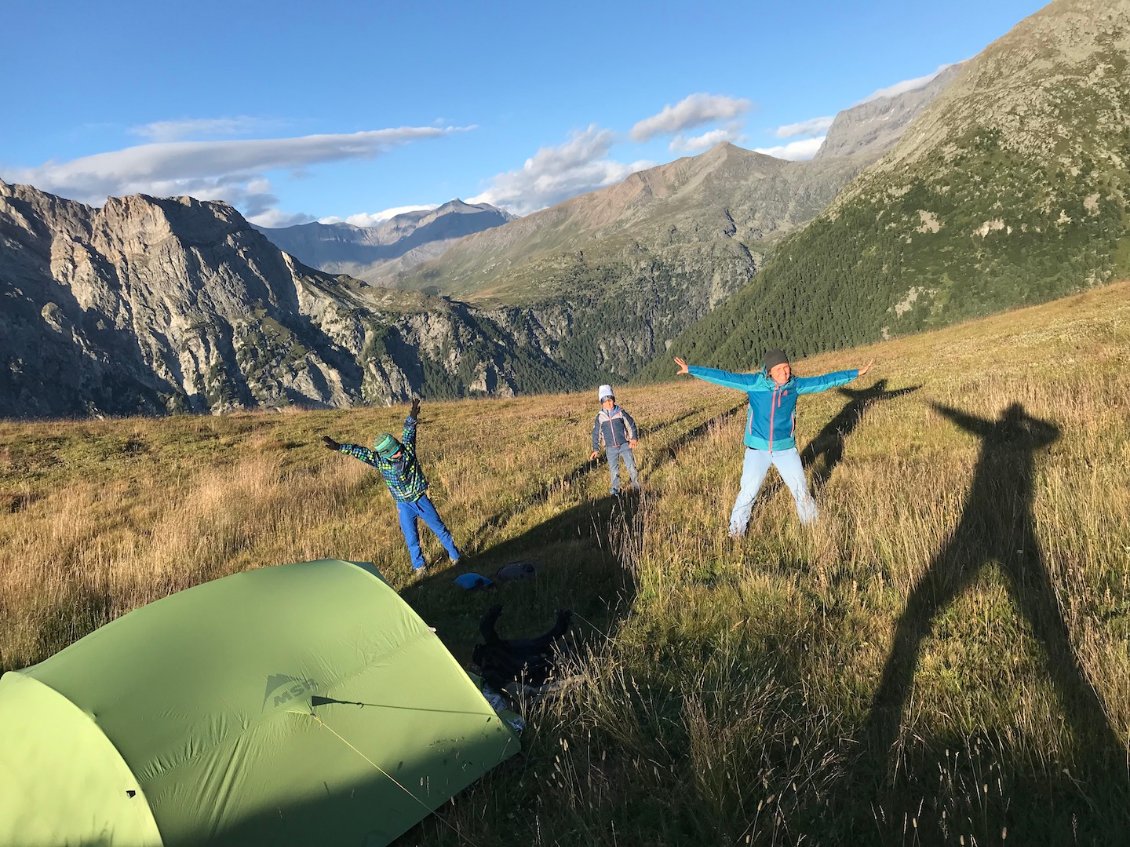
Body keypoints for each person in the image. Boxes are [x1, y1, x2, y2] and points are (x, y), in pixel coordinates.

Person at [674, 350, 872, 532]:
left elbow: (825, 381)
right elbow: (724, 377)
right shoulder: (754, 384)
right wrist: (691, 369)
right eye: (780, 369)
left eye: (787, 368)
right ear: (769, 372)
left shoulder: (795, 386)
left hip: (785, 449)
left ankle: (812, 528)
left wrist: (855, 373)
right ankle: (736, 530)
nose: (785, 372)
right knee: (748, 491)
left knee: (800, 490)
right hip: (757, 450)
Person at [322, 397, 461, 572]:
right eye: (395, 452)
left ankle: (455, 556)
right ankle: (420, 567)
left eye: (398, 449)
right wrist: (339, 447)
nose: (399, 452)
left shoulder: (407, 450)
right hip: (403, 505)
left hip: (420, 499)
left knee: (439, 528)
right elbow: (361, 452)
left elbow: (408, 431)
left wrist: (412, 415)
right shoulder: (379, 461)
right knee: (411, 538)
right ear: (386, 454)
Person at [590, 384, 640, 496]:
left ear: (614, 399)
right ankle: (615, 490)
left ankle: (636, 486)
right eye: (606, 401)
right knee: (614, 471)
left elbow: (631, 424)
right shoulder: (600, 417)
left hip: (624, 445)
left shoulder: (620, 412)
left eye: (611, 400)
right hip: (610, 448)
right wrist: (596, 449)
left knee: (631, 466)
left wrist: (633, 438)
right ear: (601, 403)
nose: (609, 403)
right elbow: (596, 434)